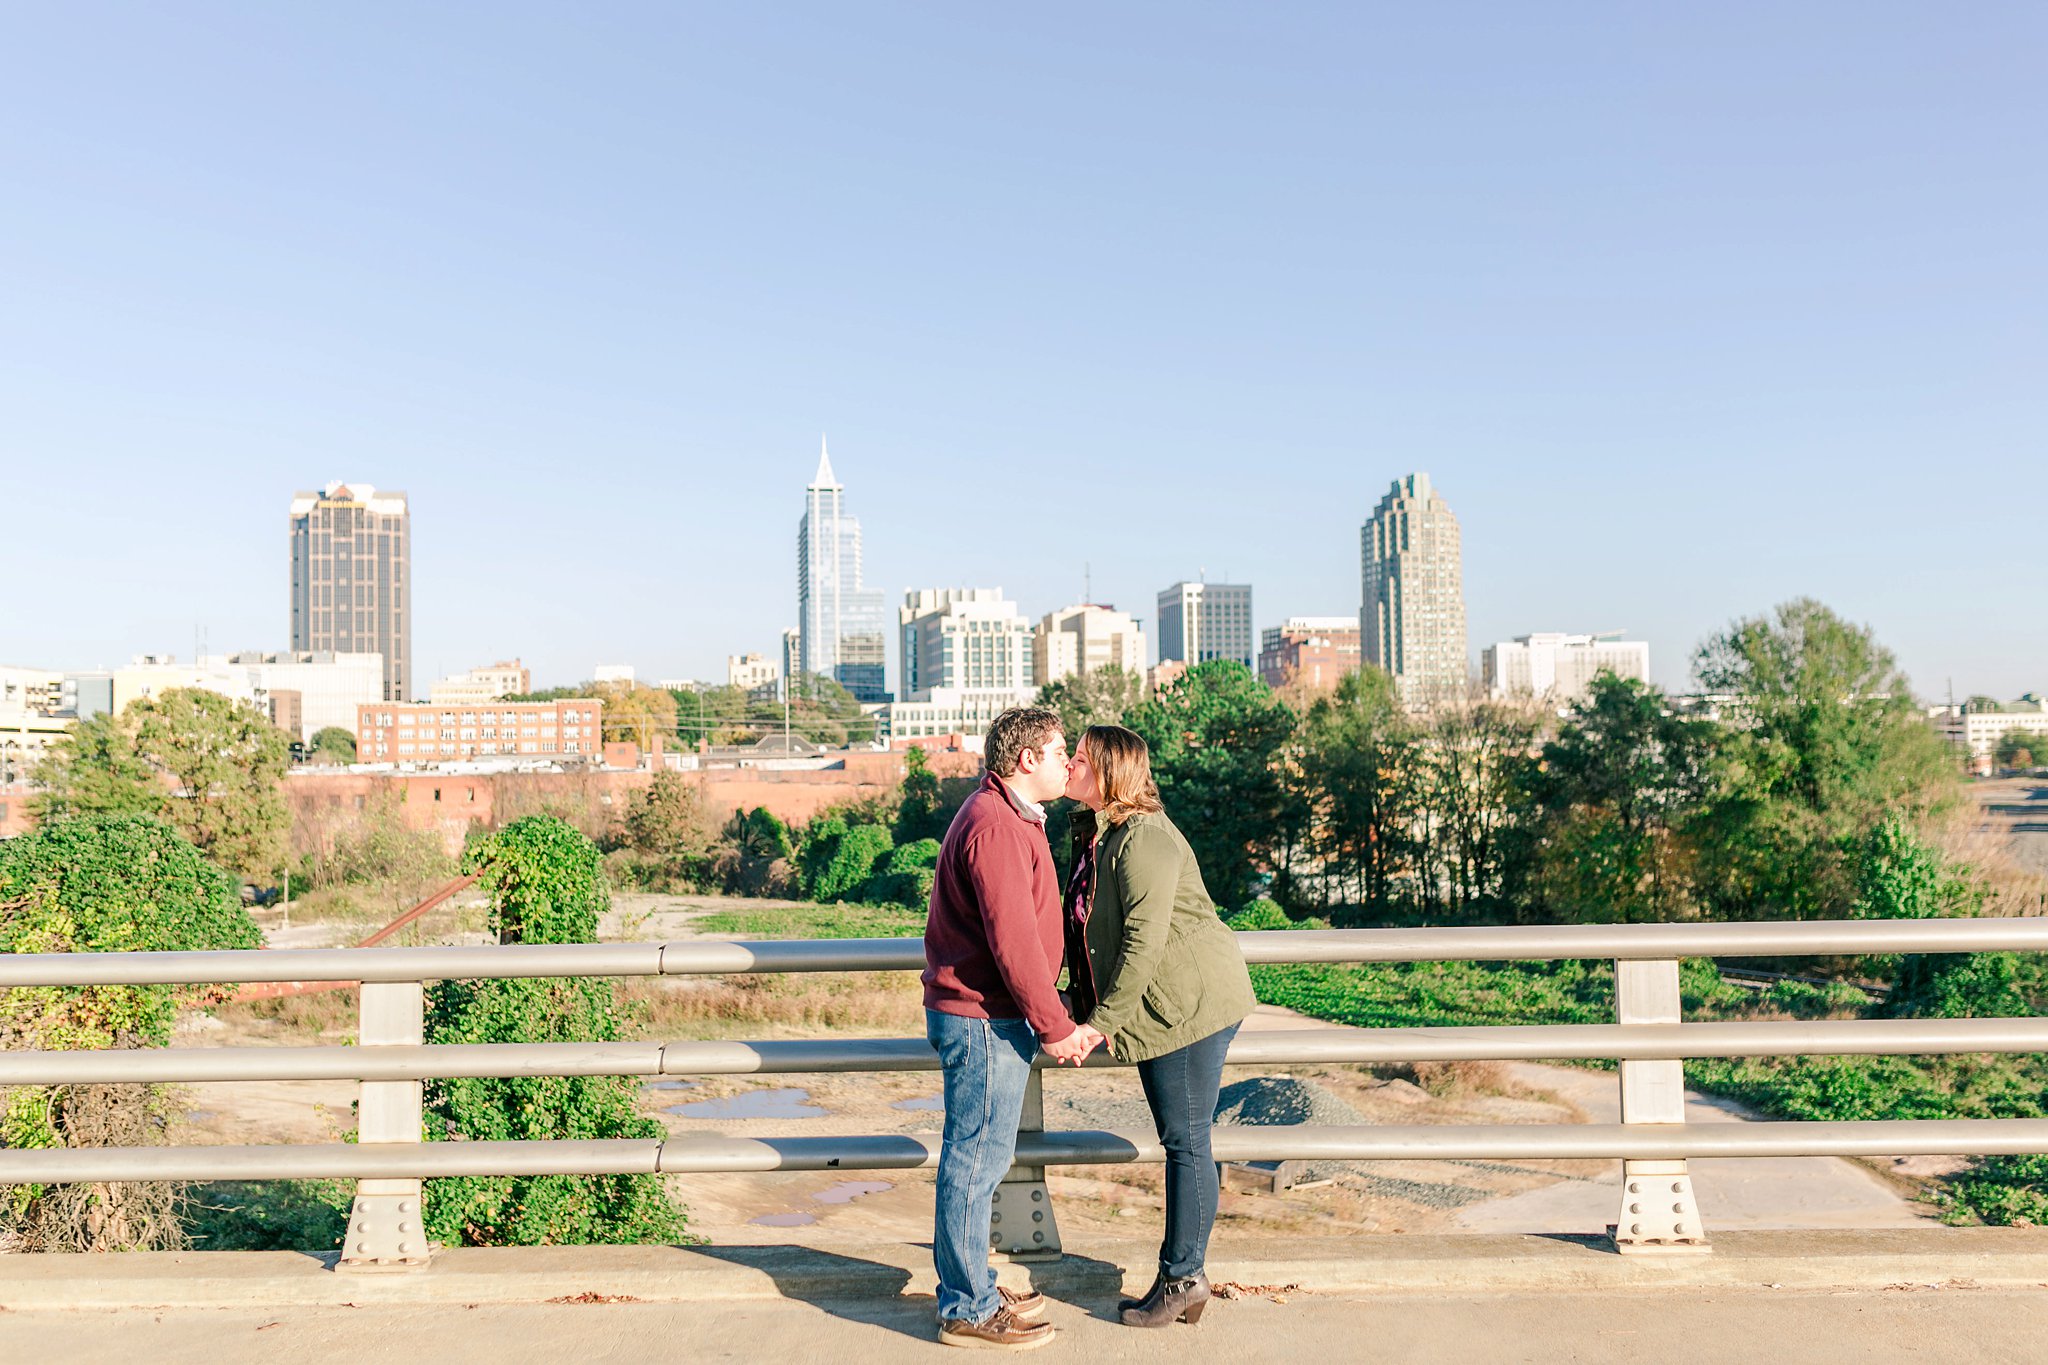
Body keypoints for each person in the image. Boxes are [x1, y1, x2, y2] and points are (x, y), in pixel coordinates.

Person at [1060, 723, 1256, 1330]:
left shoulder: (1145, 839)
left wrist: (1098, 1022)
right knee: (1185, 1140)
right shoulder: (1099, 832)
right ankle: (1184, 1281)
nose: (1069, 764)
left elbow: (1142, 943)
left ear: (1109, 772)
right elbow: (1093, 928)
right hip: (1163, 1002)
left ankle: (1183, 1279)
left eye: (1081, 758)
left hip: (1187, 1004)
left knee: (1187, 1142)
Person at [923, 706, 1105, 1351]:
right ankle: (966, 1309)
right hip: (982, 1019)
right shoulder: (997, 826)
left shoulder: (1006, 815)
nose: (1068, 763)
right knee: (975, 1162)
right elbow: (1014, 943)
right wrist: (1054, 1025)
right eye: (1060, 752)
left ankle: (968, 1287)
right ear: (1026, 760)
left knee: (980, 1159)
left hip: (989, 1016)